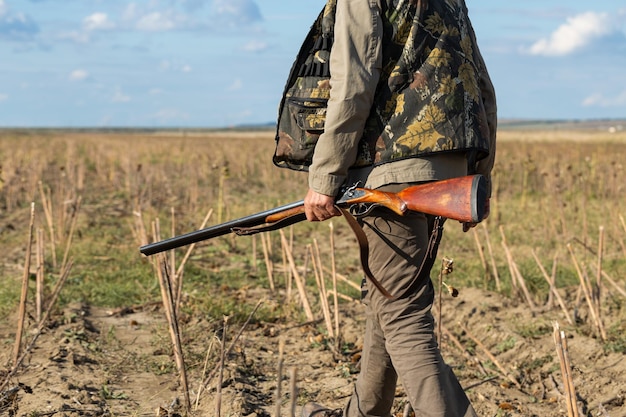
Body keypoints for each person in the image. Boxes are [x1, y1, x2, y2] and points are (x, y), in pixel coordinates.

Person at [277, 0, 496, 416]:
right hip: (446, 170)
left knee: (402, 314)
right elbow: (479, 83)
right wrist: (477, 174)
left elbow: (353, 82)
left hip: (391, 171)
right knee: (387, 297)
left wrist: (324, 177)